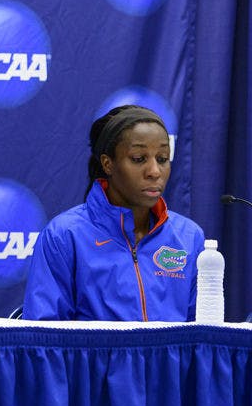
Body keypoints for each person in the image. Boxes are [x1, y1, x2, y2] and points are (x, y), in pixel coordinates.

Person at [23, 105, 205, 321]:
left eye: (162, 158)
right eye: (139, 159)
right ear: (108, 164)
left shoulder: (189, 237)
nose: (154, 172)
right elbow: (44, 337)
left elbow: (202, 337)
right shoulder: (64, 236)